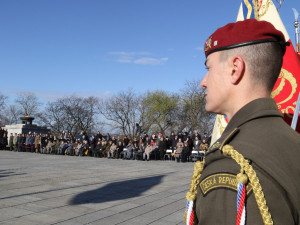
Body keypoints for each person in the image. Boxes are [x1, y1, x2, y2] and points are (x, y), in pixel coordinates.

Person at [185, 19, 300, 225]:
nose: (203, 82)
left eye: (209, 68)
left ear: (235, 68)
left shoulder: (231, 166)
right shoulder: (293, 141)